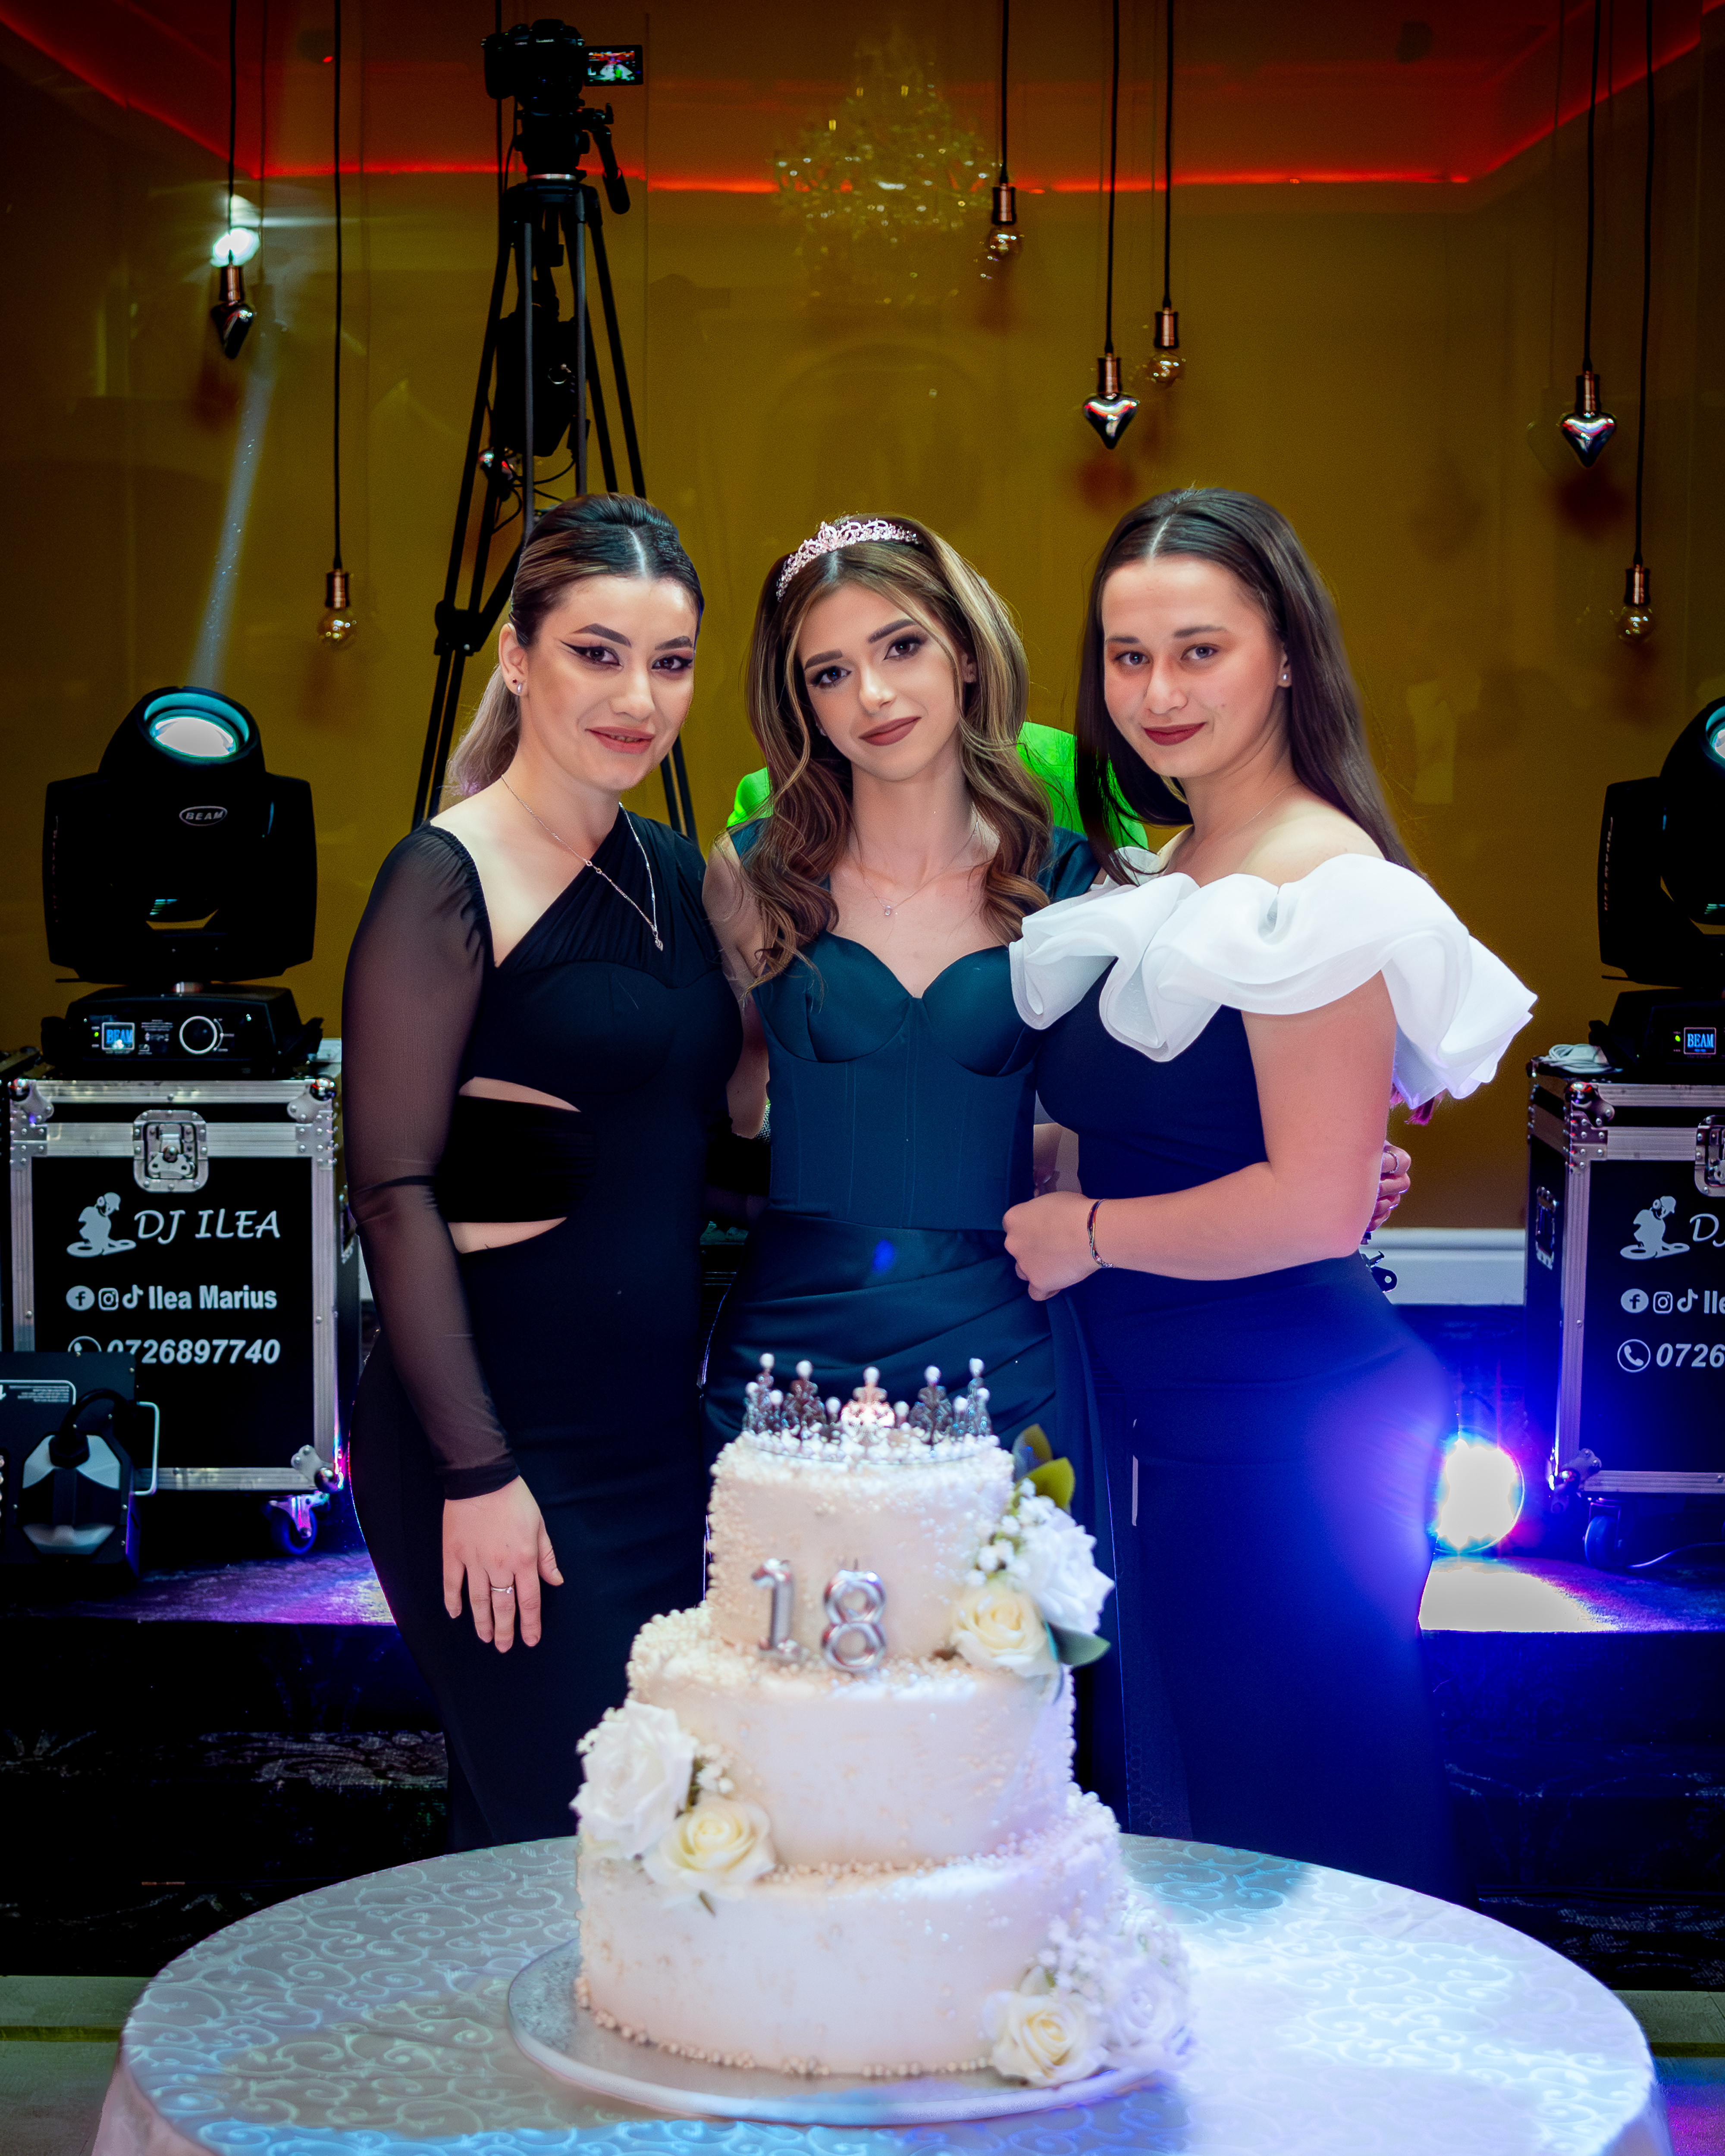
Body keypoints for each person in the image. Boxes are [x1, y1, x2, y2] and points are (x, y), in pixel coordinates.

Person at [1003, 488, 1534, 1900]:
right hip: (1189, 1417)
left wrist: (1089, 1234)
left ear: (1286, 652)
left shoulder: (1317, 877)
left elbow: (1312, 1206)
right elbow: (1211, 1138)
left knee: (1304, 1852)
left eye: (1201, 650)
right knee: (1212, 1839)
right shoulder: (1182, 864)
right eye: (1129, 657)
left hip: (1287, 1432)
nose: (1159, 693)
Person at [702, 514, 1415, 1461]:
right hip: (786, 1340)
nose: (871, 694)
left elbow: (1135, 1109)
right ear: (802, 702)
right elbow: (722, 1115)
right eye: (828, 673)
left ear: (963, 651)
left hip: (1001, 1341)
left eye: (901, 646)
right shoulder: (749, 877)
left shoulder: (1080, 887)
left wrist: (1322, 1167)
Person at [343, 494, 743, 1849]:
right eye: (597, 654)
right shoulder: (444, 876)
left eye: (670, 662)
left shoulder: (678, 876)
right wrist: (477, 1474)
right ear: (517, 659)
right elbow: (391, 1188)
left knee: (652, 1841)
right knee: (561, 1843)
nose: (639, 699)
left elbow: (700, 1142)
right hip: (498, 1443)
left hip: (656, 1447)